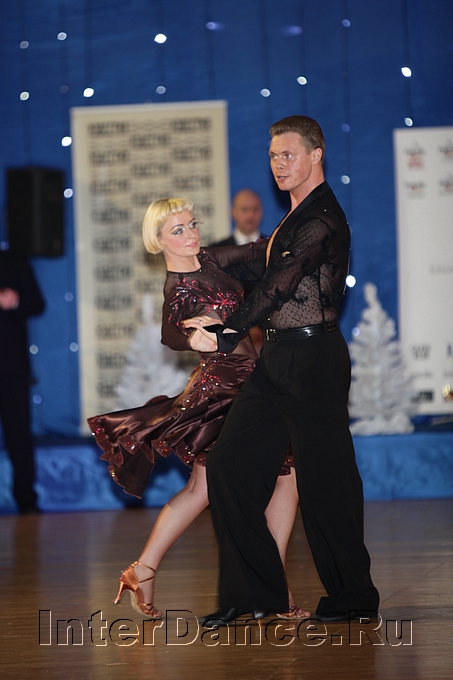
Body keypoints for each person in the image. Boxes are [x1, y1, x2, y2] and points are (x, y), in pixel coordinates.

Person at [186, 116, 380, 625]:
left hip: (314, 360)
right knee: (228, 466)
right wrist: (195, 256)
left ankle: (354, 597)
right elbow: (256, 259)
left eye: (288, 154)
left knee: (325, 481)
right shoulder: (291, 220)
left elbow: (278, 285)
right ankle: (255, 594)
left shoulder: (323, 219)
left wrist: (227, 331)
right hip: (277, 360)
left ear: (316, 155)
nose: (278, 164)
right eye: (273, 156)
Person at [88, 197, 308, 620]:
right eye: (178, 230)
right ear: (158, 240)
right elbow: (170, 333)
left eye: (192, 224)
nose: (190, 234)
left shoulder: (207, 258)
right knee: (245, 482)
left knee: (267, 479)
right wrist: (192, 338)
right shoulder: (178, 287)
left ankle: (146, 570)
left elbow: (253, 250)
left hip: (250, 380)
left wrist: (299, 227)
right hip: (224, 390)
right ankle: (271, 588)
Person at [0, 248, 45, 514]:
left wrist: (15, 300)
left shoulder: (13, 261)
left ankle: (26, 499)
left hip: (10, 366)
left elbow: (37, 303)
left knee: (18, 435)